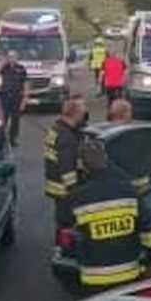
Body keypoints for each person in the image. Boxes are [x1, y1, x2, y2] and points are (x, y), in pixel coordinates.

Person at [64, 138, 151, 290]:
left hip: (93, 278)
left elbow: (67, 230)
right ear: (106, 160)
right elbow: (149, 232)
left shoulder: (77, 198)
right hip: (129, 274)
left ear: (82, 165)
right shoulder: (128, 191)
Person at [43, 94, 86, 223]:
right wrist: (75, 191)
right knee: (67, 223)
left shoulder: (55, 129)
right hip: (64, 190)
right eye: (82, 113)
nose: (83, 116)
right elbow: (67, 168)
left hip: (54, 184)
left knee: (61, 220)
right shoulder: (67, 137)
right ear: (75, 114)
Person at [0, 50, 29, 147]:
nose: (12, 59)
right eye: (10, 57)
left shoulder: (21, 69)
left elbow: (26, 84)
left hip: (17, 98)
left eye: (14, 57)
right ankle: (0, 140)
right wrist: (2, 63)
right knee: (2, 120)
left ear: (17, 58)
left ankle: (12, 139)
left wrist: (25, 100)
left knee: (15, 121)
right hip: (5, 97)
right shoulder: (4, 68)